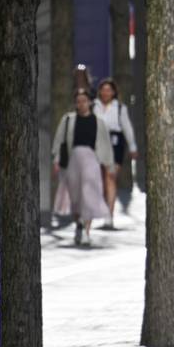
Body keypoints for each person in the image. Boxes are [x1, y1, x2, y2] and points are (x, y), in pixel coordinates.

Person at [52, 89, 113, 244]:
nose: (81, 104)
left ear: (90, 102)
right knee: (76, 198)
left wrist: (108, 165)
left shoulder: (98, 122)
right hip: (73, 161)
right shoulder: (68, 120)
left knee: (90, 195)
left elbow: (104, 144)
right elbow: (60, 141)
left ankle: (86, 231)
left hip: (91, 161)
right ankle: (79, 224)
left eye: (84, 100)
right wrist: (57, 161)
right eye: (78, 101)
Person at [93, 78, 137, 229]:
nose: (106, 93)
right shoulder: (94, 106)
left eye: (109, 90)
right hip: (98, 142)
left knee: (110, 178)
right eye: (103, 89)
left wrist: (132, 147)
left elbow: (127, 127)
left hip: (115, 143)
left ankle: (109, 216)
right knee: (101, 179)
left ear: (113, 92)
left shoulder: (120, 108)